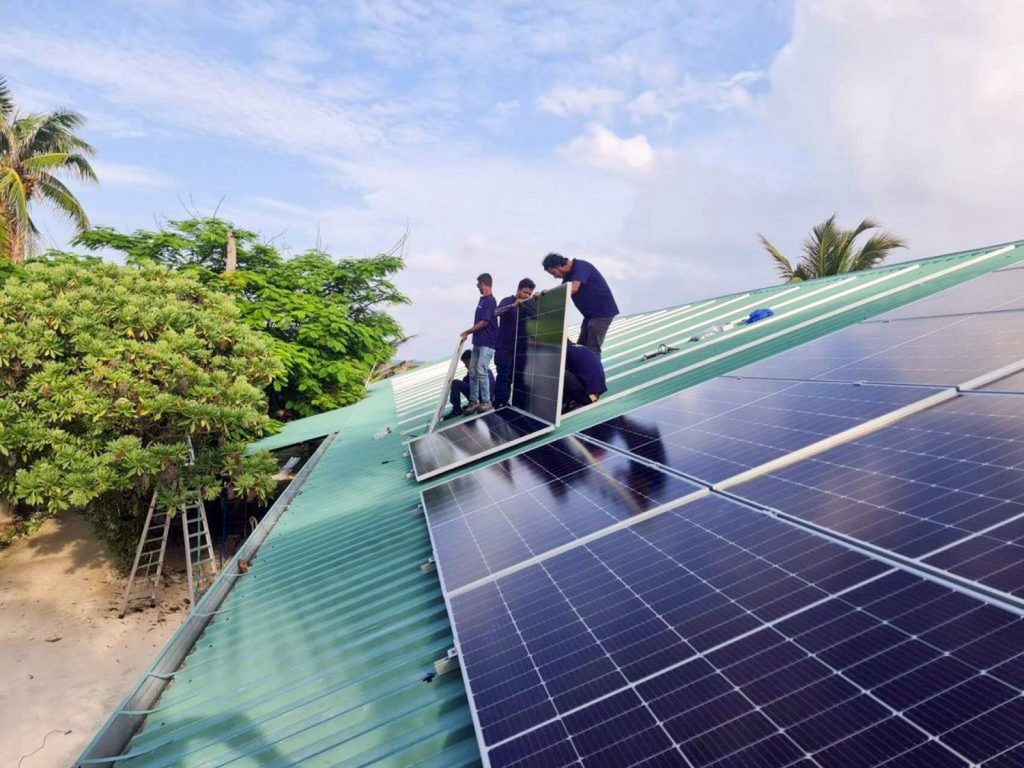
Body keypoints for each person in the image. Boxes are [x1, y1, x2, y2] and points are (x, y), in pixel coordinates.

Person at [542, 252, 619, 357]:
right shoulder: (567, 278)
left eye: (553, 273)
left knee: (593, 350)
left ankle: (595, 373)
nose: (555, 277)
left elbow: (574, 288)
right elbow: (560, 296)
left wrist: (550, 293)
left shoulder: (580, 267)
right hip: (589, 316)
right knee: (580, 349)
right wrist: (544, 296)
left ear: (558, 266)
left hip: (601, 313)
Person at [458, 273, 498, 413]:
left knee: (481, 370)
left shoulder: (490, 301)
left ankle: (486, 401)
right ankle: (474, 401)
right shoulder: (482, 301)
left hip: (487, 343)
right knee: (472, 372)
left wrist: (467, 332)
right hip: (478, 342)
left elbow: (484, 322)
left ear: (483, 284)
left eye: (478, 284)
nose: (477, 287)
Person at [493, 277, 535, 408]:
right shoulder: (508, 301)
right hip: (504, 348)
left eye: (529, 294)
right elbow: (497, 312)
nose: (526, 296)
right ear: (518, 289)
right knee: (504, 375)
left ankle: (508, 403)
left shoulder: (527, 306)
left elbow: (537, 315)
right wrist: (514, 305)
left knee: (513, 377)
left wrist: (540, 298)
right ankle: (500, 402)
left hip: (518, 350)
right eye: (525, 292)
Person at [446, 350, 495, 418]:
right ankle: (472, 403)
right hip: (490, 398)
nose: (465, 366)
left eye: (466, 363)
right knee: (465, 381)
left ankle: (457, 409)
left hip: (482, 398)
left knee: (455, 383)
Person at [562, 340, 607, 412]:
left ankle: (572, 400)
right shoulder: (574, 347)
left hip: (588, 396)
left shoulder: (563, 353)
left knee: (559, 372)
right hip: (594, 394)